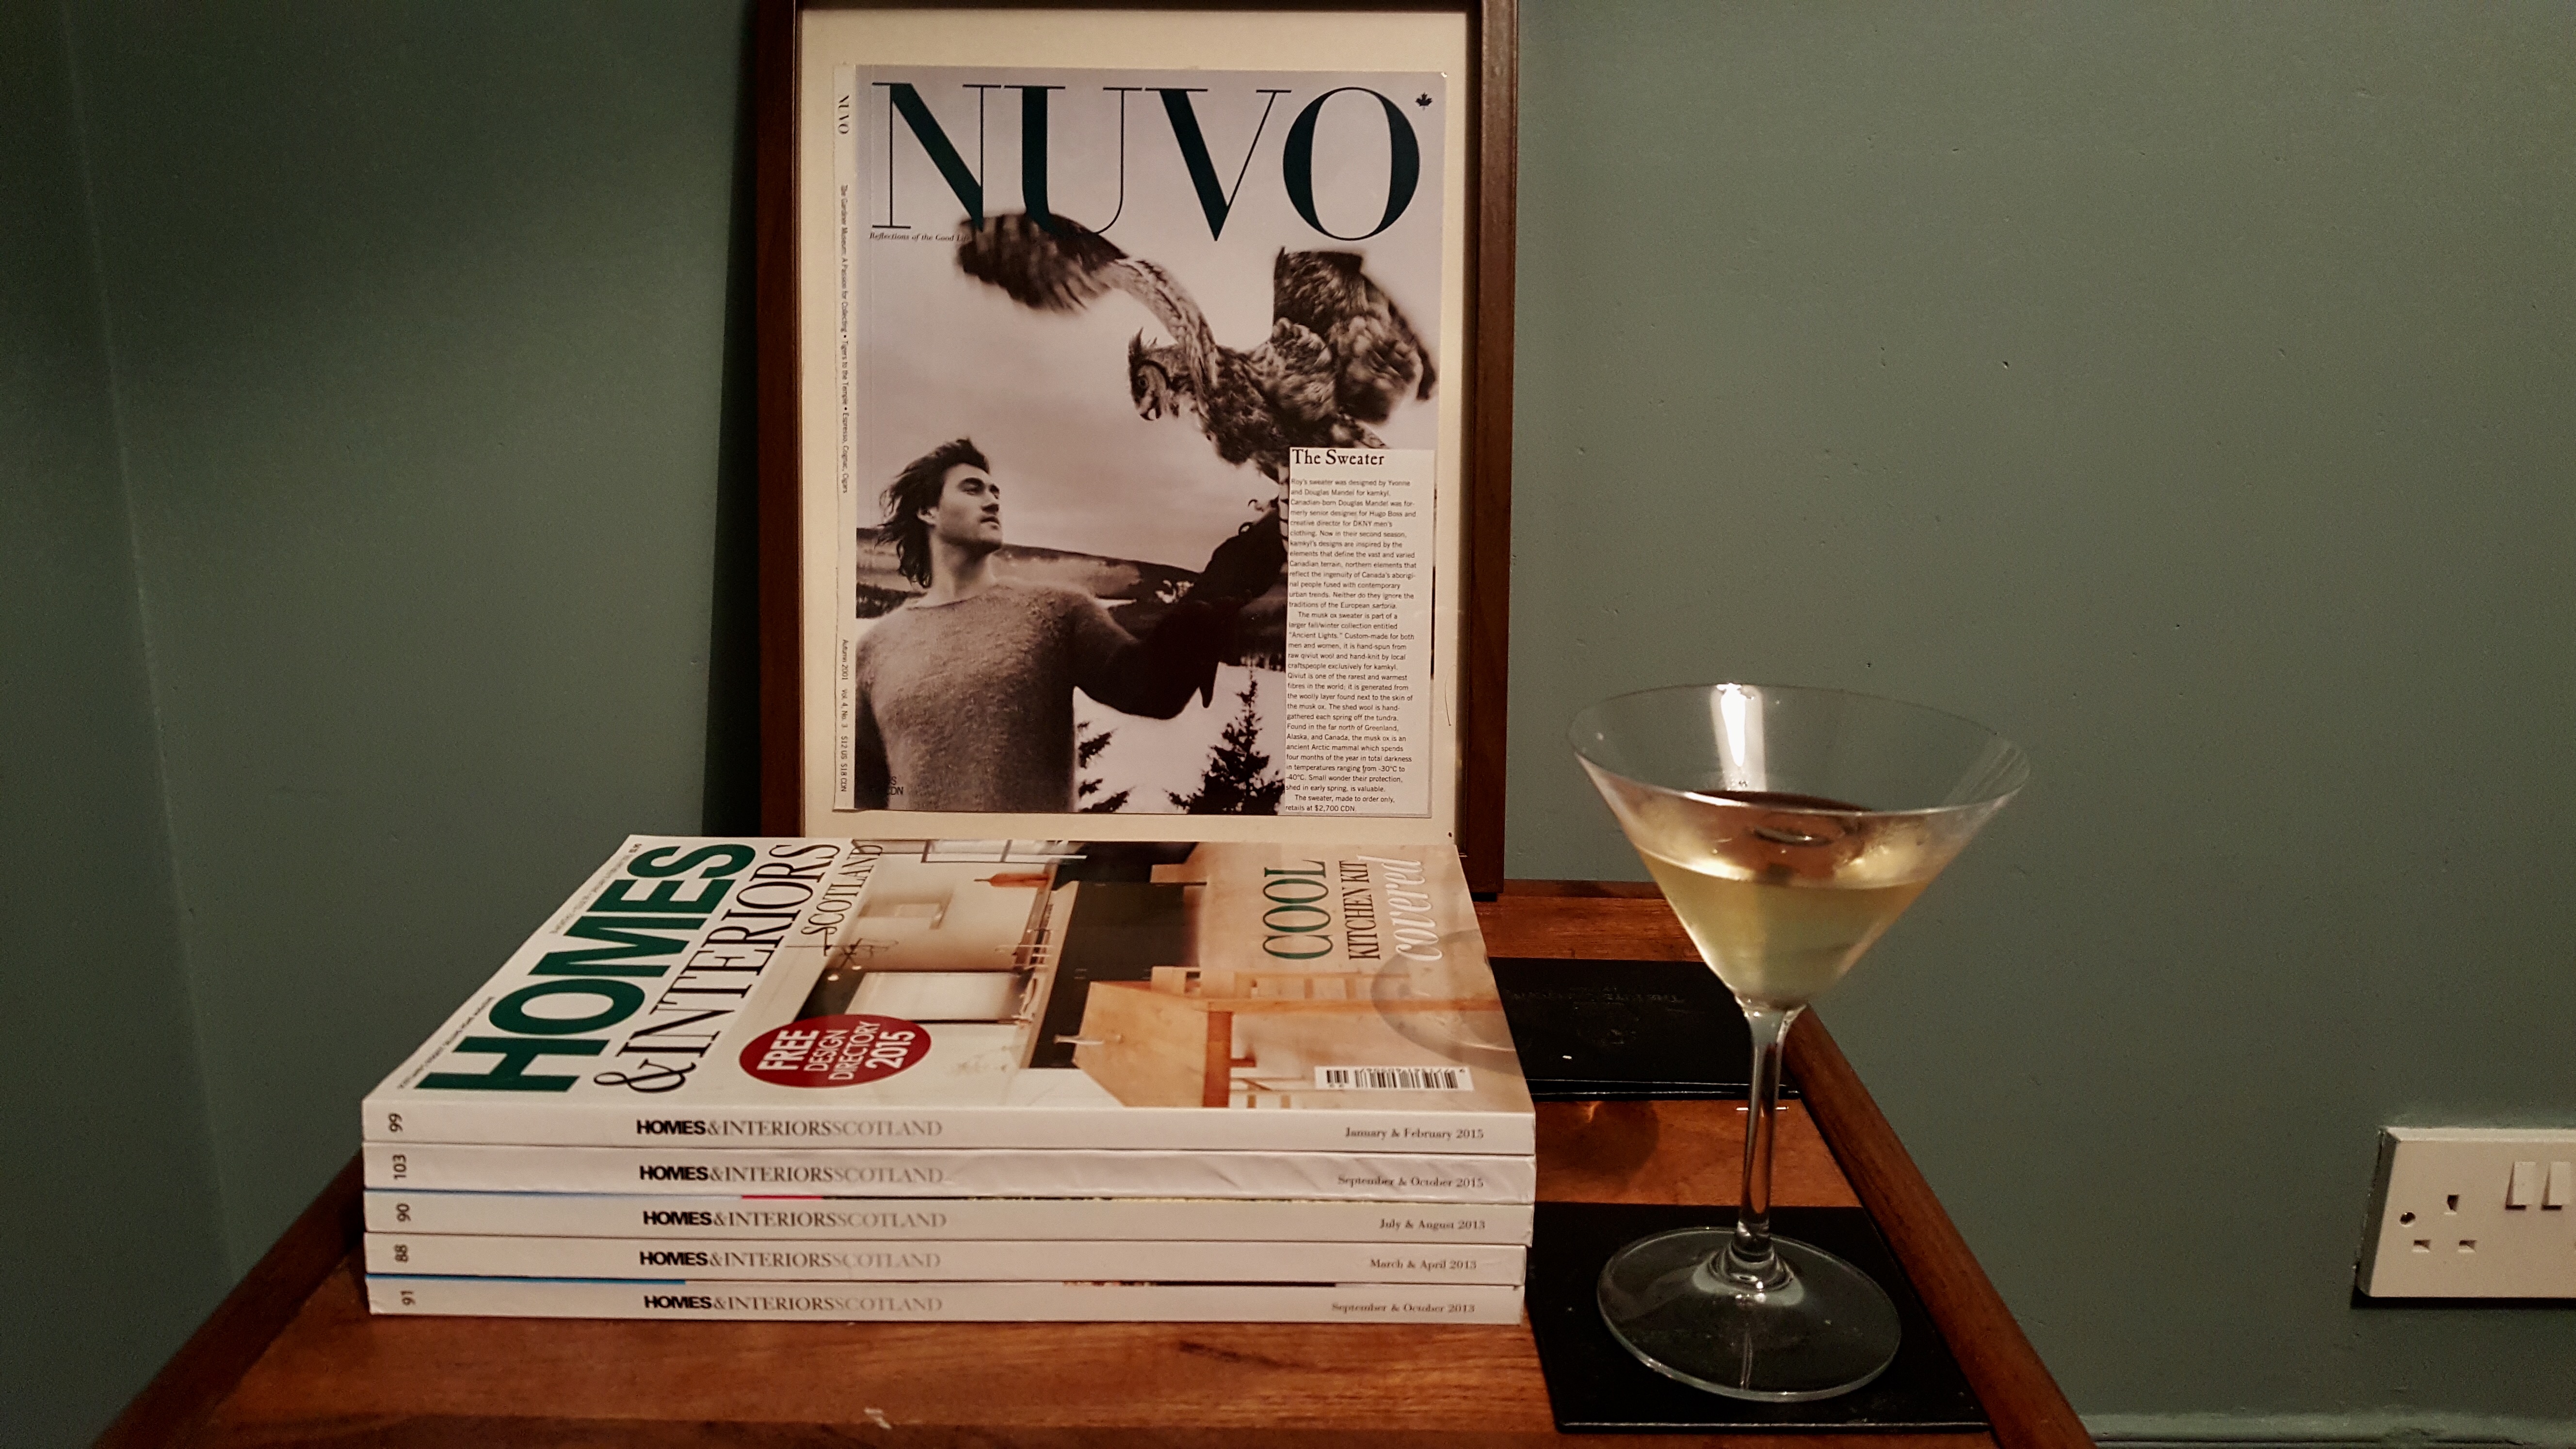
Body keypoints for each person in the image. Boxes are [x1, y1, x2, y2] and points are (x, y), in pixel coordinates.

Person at [851, 439, 1262, 812]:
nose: (992, 501)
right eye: (973, 489)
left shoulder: (1055, 612)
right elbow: (865, 791)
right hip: (918, 865)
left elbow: (1155, 690)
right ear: (928, 511)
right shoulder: (877, 647)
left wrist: (1243, 558)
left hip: (1031, 861)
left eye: (996, 492)